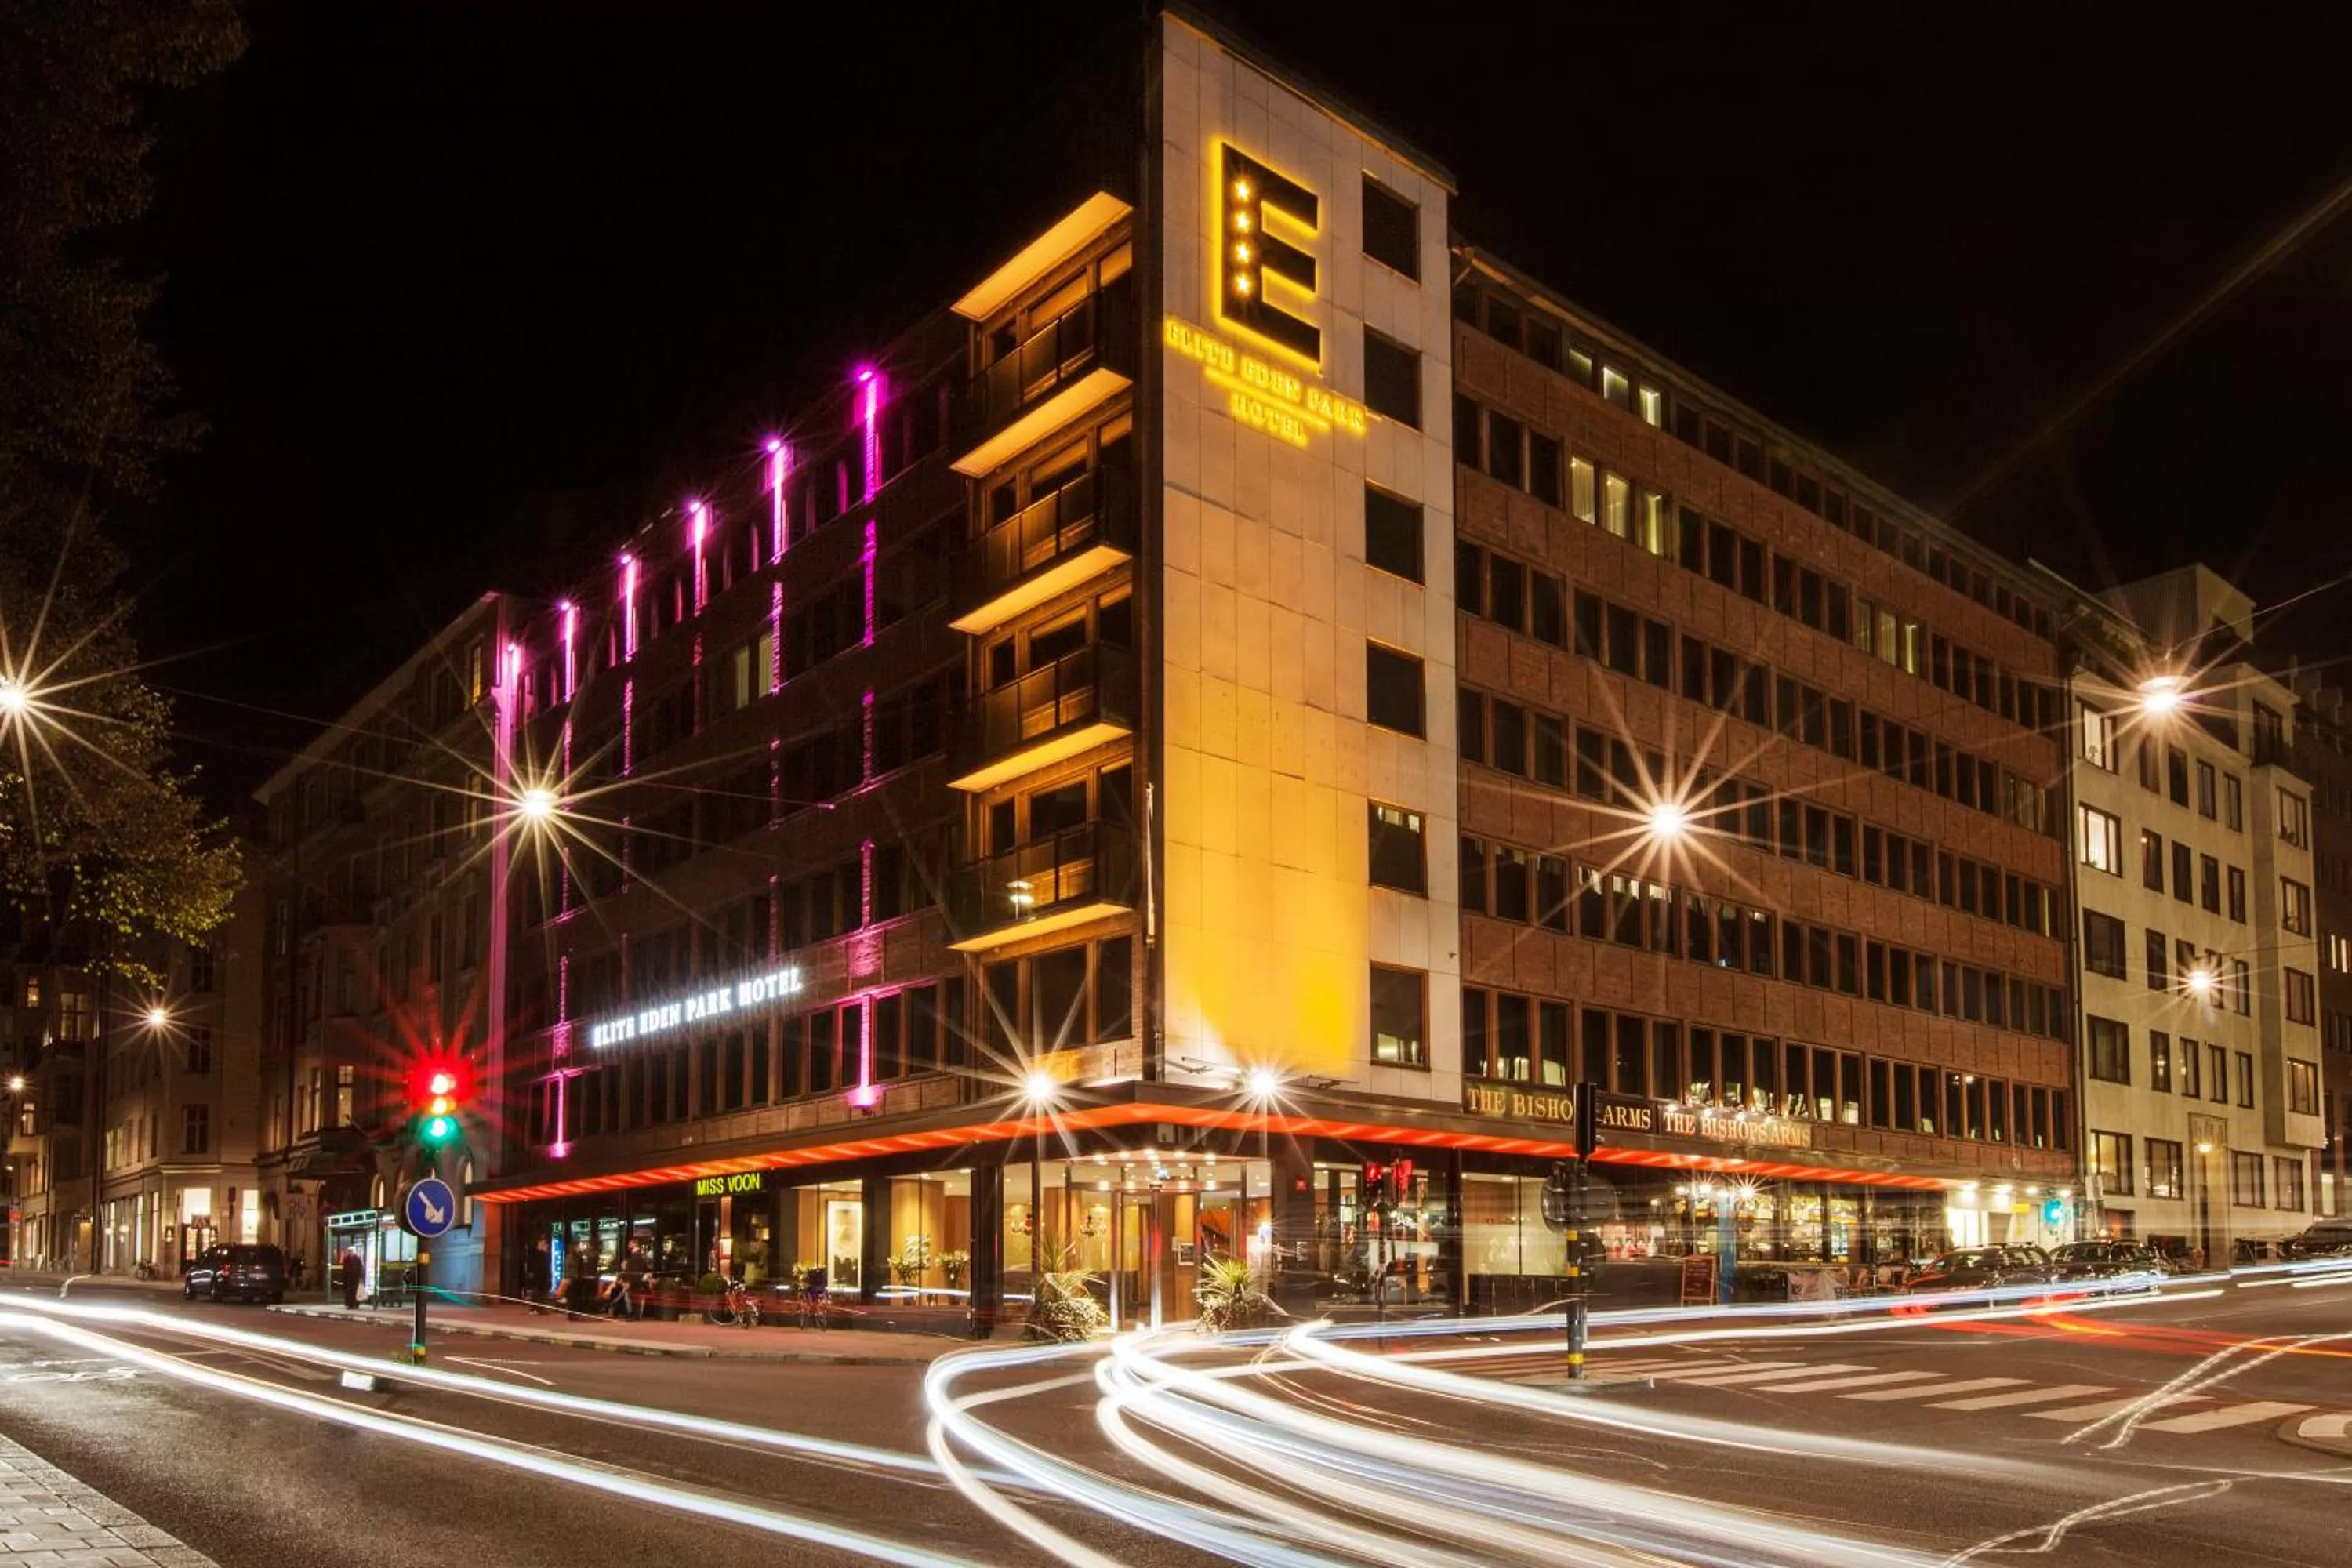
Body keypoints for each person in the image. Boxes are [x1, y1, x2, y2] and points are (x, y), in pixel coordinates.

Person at [521, 1236, 552, 1314]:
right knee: (537, 1293)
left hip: (543, 1277)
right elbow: (534, 1265)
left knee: (542, 1293)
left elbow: (546, 1266)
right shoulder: (536, 1254)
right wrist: (531, 1273)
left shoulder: (544, 1254)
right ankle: (535, 1308)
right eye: (544, 1243)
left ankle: (540, 1308)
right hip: (538, 1276)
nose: (546, 1245)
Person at [339, 1246, 365, 1311]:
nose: (350, 1252)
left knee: (355, 1292)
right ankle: (349, 1304)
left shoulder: (357, 1259)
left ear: (354, 1252)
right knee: (349, 1292)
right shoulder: (346, 1259)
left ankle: (355, 1304)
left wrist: (361, 1277)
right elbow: (344, 1269)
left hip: (355, 1278)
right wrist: (343, 1277)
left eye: (351, 1251)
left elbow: (360, 1268)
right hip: (348, 1279)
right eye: (349, 1251)